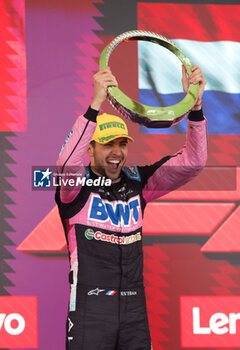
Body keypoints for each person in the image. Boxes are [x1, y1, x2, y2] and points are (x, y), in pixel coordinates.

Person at [55, 65, 207, 350]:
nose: (117, 152)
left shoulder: (140, 181)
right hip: (90, 308)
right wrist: (95, 105)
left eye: (122, 144)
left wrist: (196, 107)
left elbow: (193, 163)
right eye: (107, 144)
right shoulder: (75, 186)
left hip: (134, 308)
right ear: (90, 148)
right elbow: (66, 163)